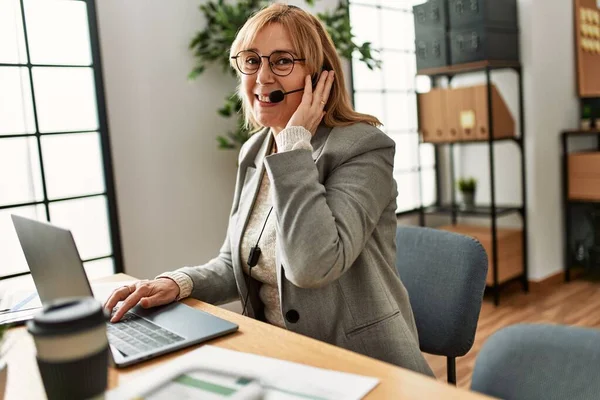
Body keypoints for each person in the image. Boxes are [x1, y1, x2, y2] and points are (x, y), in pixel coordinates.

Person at [105, 3, 433, 376]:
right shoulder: (254, 152)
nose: (261, 77)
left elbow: (312, 267)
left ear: (318, 76)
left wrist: (295, 145)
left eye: (281, 61)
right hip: (278, 356)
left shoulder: (362, 148)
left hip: (359, 364)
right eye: (251, 60)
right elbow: (237, 262)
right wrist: (176, 283)